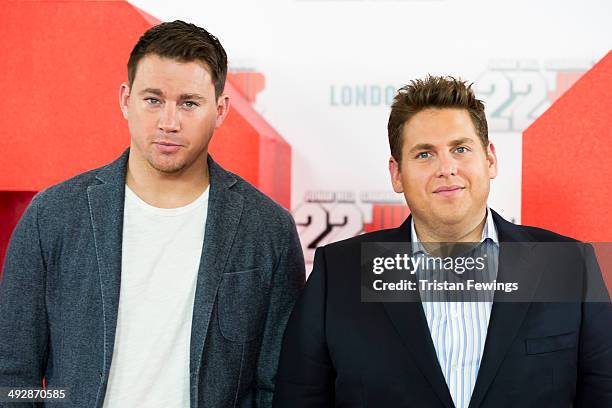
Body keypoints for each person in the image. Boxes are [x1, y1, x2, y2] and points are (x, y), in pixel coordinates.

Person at [0, 20, 304, 407]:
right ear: (126, 99)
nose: (168, 122)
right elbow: (12, 372)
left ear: (221, 110)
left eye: (189, 103)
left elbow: (276, 383)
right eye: (153, 99)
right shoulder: (53, 215)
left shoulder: (267, 229)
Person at [273, 75, 611, 407]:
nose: (446, 168)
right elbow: (300, 395)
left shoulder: (568, 264)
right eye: (424, 154)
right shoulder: (340, 272)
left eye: (460, 149)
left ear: (490, 160)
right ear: (396, 174)